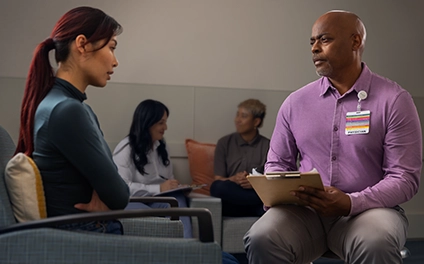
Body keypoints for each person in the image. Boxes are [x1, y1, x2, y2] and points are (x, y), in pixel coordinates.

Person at [244, 10, 422, 264]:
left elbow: (404, 178)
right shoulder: (295, 103)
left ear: (355, 42)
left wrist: (350, 203)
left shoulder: (394, 100)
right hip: (305, 213)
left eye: (324, 40)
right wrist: (281, 192)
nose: (315, 48)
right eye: (312, 42)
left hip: (370, 211)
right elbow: (277, 164)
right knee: (262, 236)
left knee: (376, 242)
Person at [15, 6, 129, 234]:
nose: (115, 62)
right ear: (82, 44)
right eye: (112, 48)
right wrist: (107, 192)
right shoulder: (68, 111)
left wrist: (108, 191)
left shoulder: (57, 104)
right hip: (82, 238)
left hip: (78, 232)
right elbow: (119, 195)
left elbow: (113, 188)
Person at [113, 99, 192, 238]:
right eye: (161, 123)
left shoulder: (161, 147)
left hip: (156, 200)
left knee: (177, 198)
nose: (165, 127)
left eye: (165, 122)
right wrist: (159, 189)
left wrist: (176, 186)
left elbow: (167, 178)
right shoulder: (126, 148)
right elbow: (121, 188)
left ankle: (187, 246)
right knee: (150, 217)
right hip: (131, 201)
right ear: (147, 123)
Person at [210, 99, 269, 217]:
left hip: (256, 191)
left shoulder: (268, 146)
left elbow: (272, 180)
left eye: (244, 116)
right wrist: (234, 179)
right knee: (217, 187)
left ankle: (256, 206)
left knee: (269, 194)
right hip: (233, 197)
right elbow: (219, 178)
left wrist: (254, 182)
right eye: (237, 115)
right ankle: (255, 206)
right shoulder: (224, 143)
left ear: (256, 121)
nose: (237, 120)